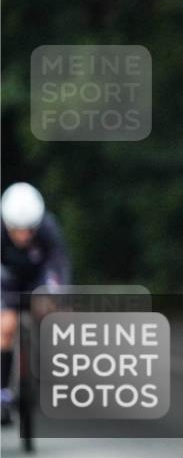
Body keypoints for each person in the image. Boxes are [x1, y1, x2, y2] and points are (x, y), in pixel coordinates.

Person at [0, 182, 71, 426]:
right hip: (6, 281)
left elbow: (59, 266)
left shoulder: (49, 228)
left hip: (37, 279)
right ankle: (3, 392)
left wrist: (56, 295)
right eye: (16, 230)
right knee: (6, 326)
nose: (23, 236)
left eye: (29, 230)